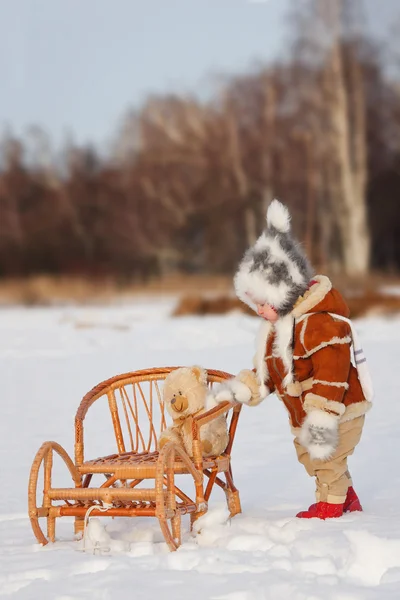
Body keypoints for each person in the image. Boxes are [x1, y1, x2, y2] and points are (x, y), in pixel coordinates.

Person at [214, 199, 372, 519]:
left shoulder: (321, 324)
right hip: (303, 414)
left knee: (328, 458)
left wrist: (322, 416)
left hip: (337, 408)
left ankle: (331, 506)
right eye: (254, 303)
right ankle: (348, 497)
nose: (258, 311)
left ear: (285, 292)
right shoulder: (276, 331)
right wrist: (250, 387)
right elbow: (269, 372)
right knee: (311, 457)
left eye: (263, 302)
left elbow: (333, 372)